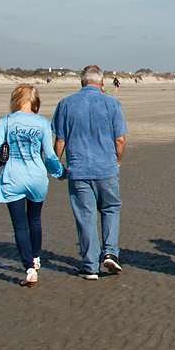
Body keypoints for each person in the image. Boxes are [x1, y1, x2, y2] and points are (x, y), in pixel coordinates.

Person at [53, 65, 128, 280]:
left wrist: (57, 167)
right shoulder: (112, 103)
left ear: (81, 81)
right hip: (105, 168)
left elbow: (60, 140)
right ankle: (110, 252)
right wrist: (118, 161)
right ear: (102, 82)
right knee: (110, 209)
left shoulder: (66, 104)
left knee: (85, 216)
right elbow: (120, 139)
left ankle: (90, 266)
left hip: (79, 170)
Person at [0, 84, 66, 287]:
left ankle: (29, 268)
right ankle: (36, 257)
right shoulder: (41, 123)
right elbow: (49, 155)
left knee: (19, 225)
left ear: (15, 100)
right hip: (36, 177)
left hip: (13, 177)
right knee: (34, 219)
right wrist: (60, 172)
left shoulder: (6, 121)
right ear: (35, 102)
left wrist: (5, 144)